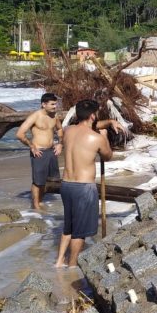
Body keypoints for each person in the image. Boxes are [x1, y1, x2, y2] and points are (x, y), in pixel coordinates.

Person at [54, 99, 119, 268]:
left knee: (68, 227)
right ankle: (72, 266)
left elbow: (87, 126)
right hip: (84, 188)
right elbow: (107, 156)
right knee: (79, 232)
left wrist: (110, 122)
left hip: (66, 185)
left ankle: (59, 261)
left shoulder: (68, 130)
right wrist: (105, 137)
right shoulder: (96, 138)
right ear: (92, 115)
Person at [16, 93, 63, 210]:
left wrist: (60, 143)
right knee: (38, 181)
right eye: (52, 104)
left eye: (56, 104)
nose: (55, 106)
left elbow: (60, 129)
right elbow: (20, 134)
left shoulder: (54, 116)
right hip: (39, 152)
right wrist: (32, 146)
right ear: (43, 104)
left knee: (51, 179)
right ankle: (36, 205)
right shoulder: (35, 116)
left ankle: (40, 200)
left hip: (51, 151)